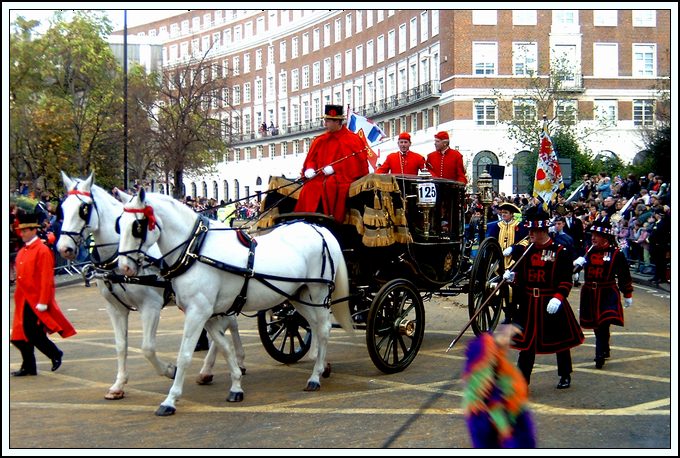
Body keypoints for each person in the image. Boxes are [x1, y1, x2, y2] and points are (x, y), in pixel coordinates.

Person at [502, 205, 584, 389]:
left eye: (533, 231)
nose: (530, 234)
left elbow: (565, 280)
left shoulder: (560, 251)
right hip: (530, 304)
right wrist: (512, 278)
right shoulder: (526, 251)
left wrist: (559, 297)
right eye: (529, 230)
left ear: (543, 231)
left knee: (561, 341)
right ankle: (522, 382)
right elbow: (521, 278)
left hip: (550, 301)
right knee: (527, 345)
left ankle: (565, 374)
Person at [11, 213, 77, 376]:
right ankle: (29, 366)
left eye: (25, 230)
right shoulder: (23, 251)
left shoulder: (42, 250)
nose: (22, 233)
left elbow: (47, 279)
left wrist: (43, 301)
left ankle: (54, 354)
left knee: (31, 333)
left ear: (34, 230)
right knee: (19, 337)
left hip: (35, 299)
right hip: (23, 299)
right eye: (21, 230)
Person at [573, 216, 633, 369]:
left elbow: (624, 274)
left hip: (607, 291)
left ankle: (599, 353)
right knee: (596, 324)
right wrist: (576, 266)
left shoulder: (615, 253)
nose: (593, 238)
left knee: (603, 322)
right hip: (590, 292)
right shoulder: (588, 251)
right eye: (592, 235)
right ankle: (604, 347)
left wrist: (627, 293)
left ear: (605, 237)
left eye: (596, 235)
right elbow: (575, 269)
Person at [462, 325, 536, 448]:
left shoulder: (494, 364)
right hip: (492, 424)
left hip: (507, 414)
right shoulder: (484, 386)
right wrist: (506, 434)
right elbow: (495, 412)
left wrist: (503, 337)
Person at [294, 104, 368, 222]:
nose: (325, 124)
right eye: (326, 120)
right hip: (320, 177)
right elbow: (311, 159)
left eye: (328, 121)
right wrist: (310, 168)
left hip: (341, 177)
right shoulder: (320, 140)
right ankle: (305, 218)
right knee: (310, 186)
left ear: (337, 122)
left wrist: (335, 168)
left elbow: (356, 164)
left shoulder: (353, 139)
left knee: (330, 185)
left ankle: (332, 219)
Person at [485, 202, 528, 323]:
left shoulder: (520, 226)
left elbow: (525, 242)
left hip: (515, 262)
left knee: (514, 289)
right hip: (499, 263)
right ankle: (507, 313)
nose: (503, 215)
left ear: (511, 214)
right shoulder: (496, 226)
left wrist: (513, 248)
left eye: (506, 213)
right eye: (502, 212)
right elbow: (490, 241)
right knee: (497, 288)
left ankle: (514, 313)